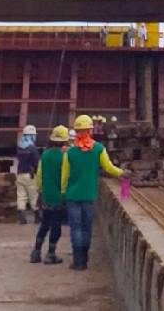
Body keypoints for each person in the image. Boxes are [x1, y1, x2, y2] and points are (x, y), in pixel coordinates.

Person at [61, 114, 125, 271]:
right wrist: (123, 173)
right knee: (86, 228)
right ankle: (85, 258)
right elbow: (109, 168)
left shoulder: (69, 152)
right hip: (89, 195)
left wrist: (63, 192)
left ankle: (78, 261)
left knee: (76, 229)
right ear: (91, 130)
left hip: (73, 196)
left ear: (77, 131)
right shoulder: (99, 149)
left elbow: (65, 176)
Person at [32, 124, 69, 265]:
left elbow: (39, 175)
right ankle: (51, 254)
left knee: (44, 224)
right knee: (56, 225)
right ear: (65, 140)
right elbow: (66, 177)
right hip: (59, 197)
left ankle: (36, 251)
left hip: (46, 196)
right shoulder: (65, 157)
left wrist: (39, 192)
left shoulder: (45, 155)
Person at [15, 124, 40, 225]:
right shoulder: (33, 148)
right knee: (33, 196)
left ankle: (22, 218)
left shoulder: (19, 147)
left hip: (20, 174)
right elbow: (37, 162)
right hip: (31, 175)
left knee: (21, 196)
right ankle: (37, 218)